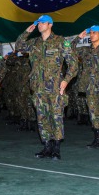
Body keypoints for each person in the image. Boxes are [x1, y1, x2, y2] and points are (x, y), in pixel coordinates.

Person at [16, 14, 77, 159]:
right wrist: (27, 31)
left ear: (50, 24)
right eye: (38, 23)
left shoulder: (60, 41)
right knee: (42, 117)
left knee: (56, 117)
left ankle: (56, 148)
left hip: (55, 87)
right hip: (38, 87)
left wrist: (66, 80)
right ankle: (46, 147)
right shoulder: (34, 42)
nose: (40, 25)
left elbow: (74, 64)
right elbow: (18, 46)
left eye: (43, 23)